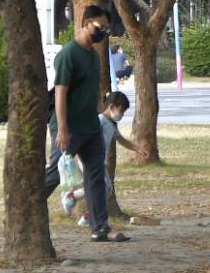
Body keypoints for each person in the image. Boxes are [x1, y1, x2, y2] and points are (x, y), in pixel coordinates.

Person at [43, 6, 128, 242]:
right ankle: (29, 207)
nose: (102, 33)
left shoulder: (93, 55)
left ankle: (100, 228)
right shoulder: (68, 55)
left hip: (90, 126)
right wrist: (62, 129)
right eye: (99, 28)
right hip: (68, 127)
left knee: (96, 176)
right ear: (86, 22)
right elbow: (60, 94)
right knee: (55, 174)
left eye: (106, 29)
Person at [62, 91, 148, 225]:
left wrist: (137, 149)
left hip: (100, 161)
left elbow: (121, 140)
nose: (122, 115)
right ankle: (80, 208)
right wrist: (79, 155)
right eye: (121, 111)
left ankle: (81, 208)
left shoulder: (112, 124)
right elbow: (84, 138)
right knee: (102, 188)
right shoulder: (99, 121)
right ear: (112, 107)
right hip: (88, 159)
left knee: (102, 190)